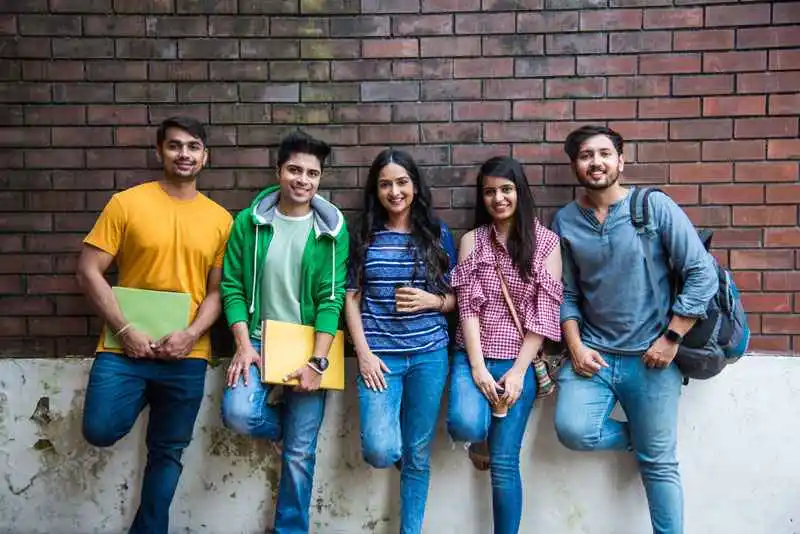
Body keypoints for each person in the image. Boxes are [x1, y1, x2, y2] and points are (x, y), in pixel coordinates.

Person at [551, 125, 717, 534]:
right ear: (576, 164)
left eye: (605, 154)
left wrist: (672, 337)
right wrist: (574, 346)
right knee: (573, 429)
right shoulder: (565, 220)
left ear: (621, 161)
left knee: (659, 466)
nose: (596, 162)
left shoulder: (653, 207)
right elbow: (566, 292)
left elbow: (702, 274)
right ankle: (645, 440)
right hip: (594, 357)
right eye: (586, 155)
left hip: (653, 359)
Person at [77, 117, 232, 534]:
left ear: (206, 156)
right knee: (100, 427)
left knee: (167, 452)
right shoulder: (126, 203)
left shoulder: (221, 220)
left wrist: (191, 334)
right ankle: (144, 391)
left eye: (193, 147)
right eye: (175, 146)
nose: (184, 154)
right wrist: (125, 330)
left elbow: (218, 292)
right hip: (123, 349)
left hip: (186, 354)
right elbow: (89, 269)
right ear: (159, 151)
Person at [219, 130, 349, 534]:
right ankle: (288, 434)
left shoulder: (331, 230)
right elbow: (232, 286)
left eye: (312, 173)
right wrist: (242, 344)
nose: (303, 180)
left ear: (320, 178)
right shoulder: (250, 222)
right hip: (257, 337)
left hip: (308, 342)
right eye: (294, 169)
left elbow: (332, 299)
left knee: (298, 456)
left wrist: (318, 360)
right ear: (278, 171)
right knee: (239, 413)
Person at [446, 156, 563, 534]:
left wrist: (517, 371)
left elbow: (543, 316)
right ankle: (481, 436)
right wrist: (478, 367)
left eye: (506, 190)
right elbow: (467, 308)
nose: (498, 198)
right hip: (473, 356)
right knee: (464, 423)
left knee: (505, 463)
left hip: (519, 361)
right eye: (490, 192)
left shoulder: (546, 244)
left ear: (520, 192)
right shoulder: (472, 242)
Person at [344, 149, 457, 534]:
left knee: (418, 455)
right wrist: (363, 355)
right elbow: (351, 297)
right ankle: (400, 455)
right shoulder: (362, 234)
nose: (395, 191)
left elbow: (458, 296)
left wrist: (433, 301)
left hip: (429, 356)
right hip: (380, 359)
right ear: (376, 191)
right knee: (382, 450)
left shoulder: (437, 233)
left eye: (402, 182)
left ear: (415, 185)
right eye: (386, 184)